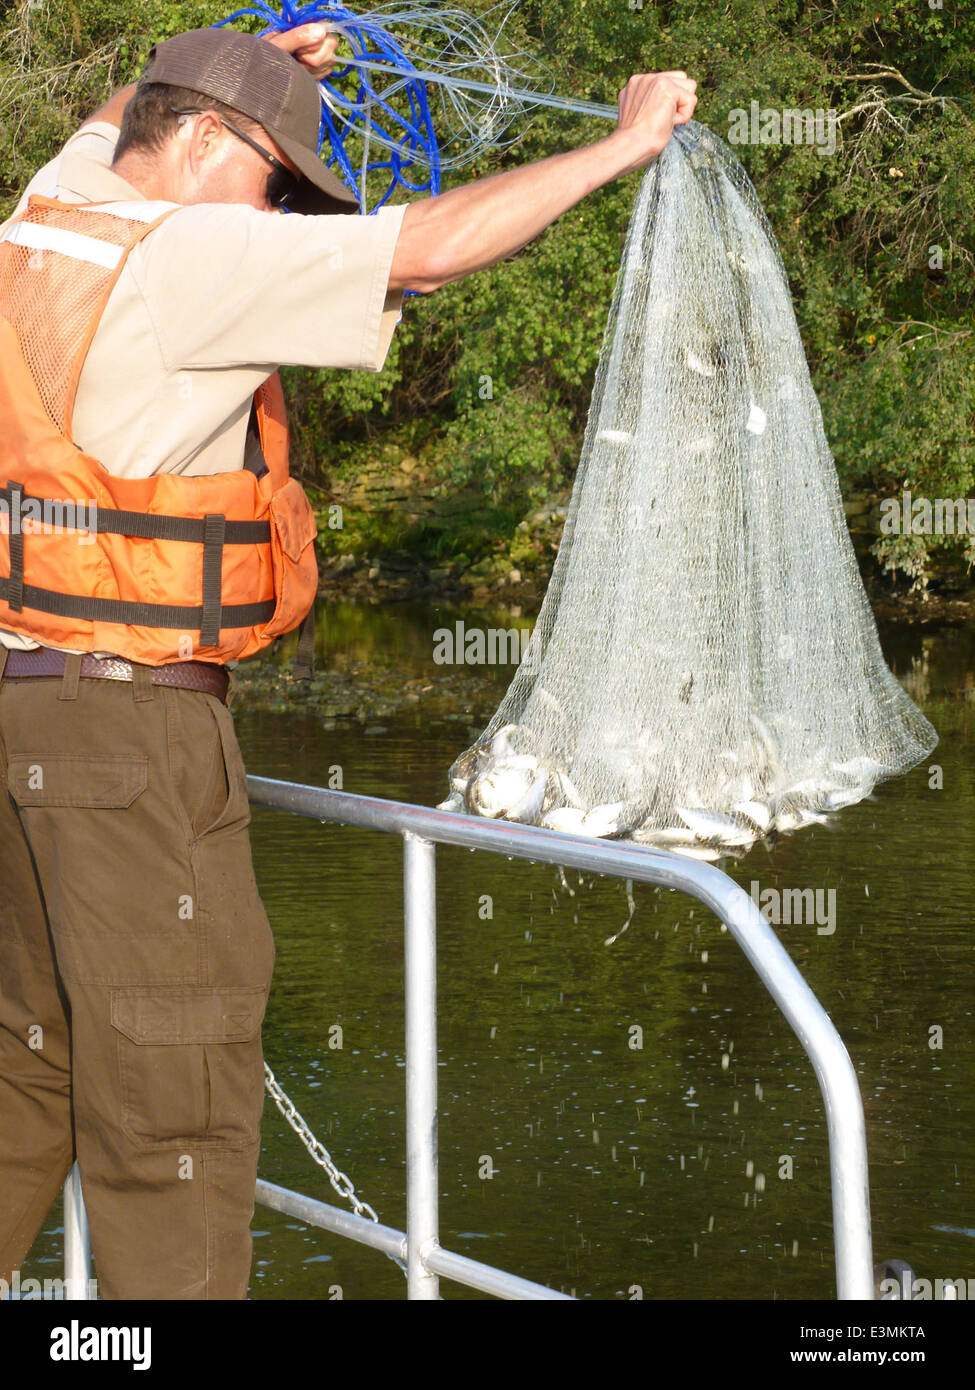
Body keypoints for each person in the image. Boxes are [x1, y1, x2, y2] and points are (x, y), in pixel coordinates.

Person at [0, 23, 696, 1299]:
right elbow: (428, 246)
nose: (279, 211)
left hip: (22, 719)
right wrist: (623, 145)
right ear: (205, 140)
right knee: (178, 1102)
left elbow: (127, 111)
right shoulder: (190, 253)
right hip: (129, 736)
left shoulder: (54, 208)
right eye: (273, 177)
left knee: (28, 1070)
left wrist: (251, 57)